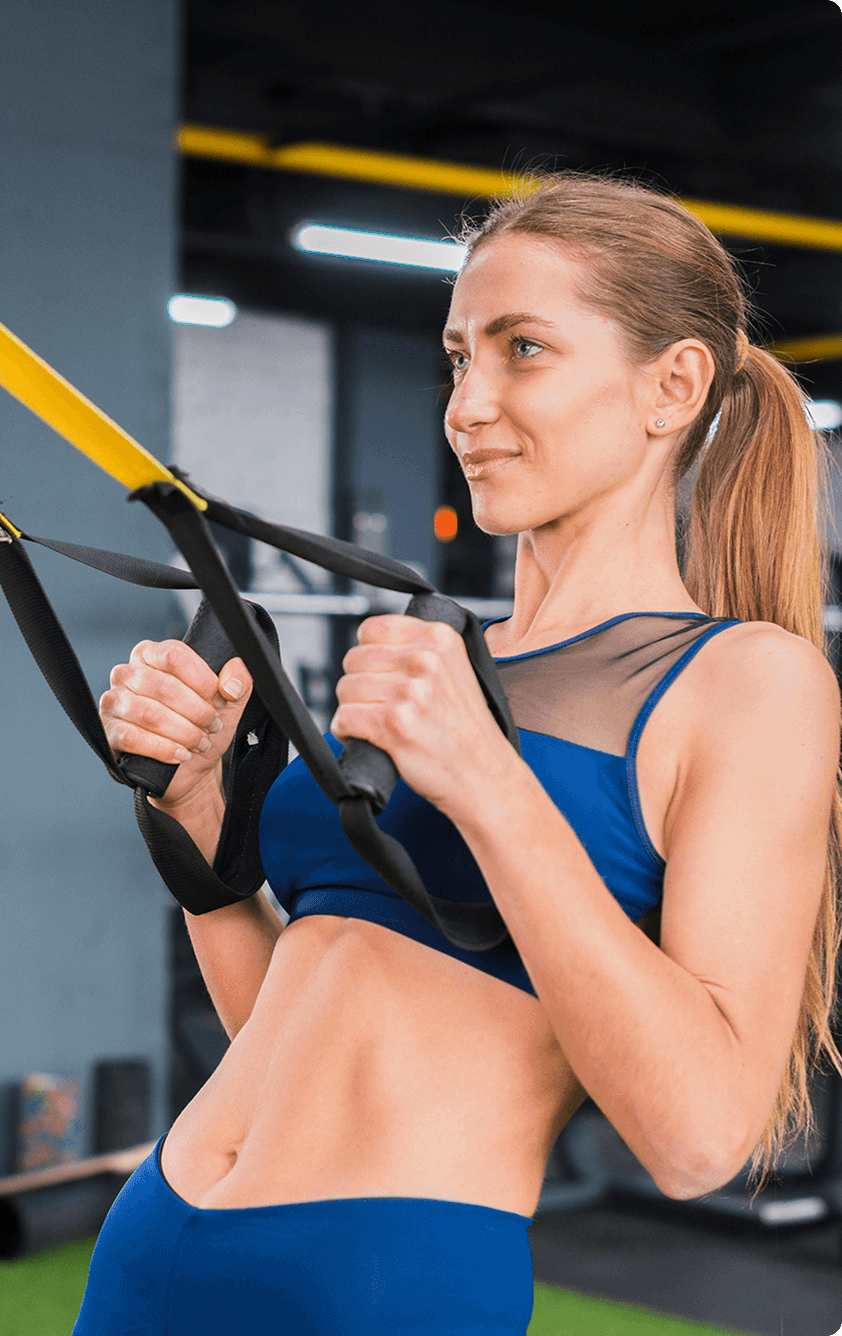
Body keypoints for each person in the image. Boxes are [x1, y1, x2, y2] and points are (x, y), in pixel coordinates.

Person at [76, 175, 842, 1332]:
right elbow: (303, 1033)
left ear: (670, 386)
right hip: (157, 1239)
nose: (467, 403)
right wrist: (193, 819)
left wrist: (485, 780)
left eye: (522, 349)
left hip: (380, 1278)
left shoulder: (748, 683)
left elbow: (700, 1132)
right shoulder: (444, 664)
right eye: (456, 358)